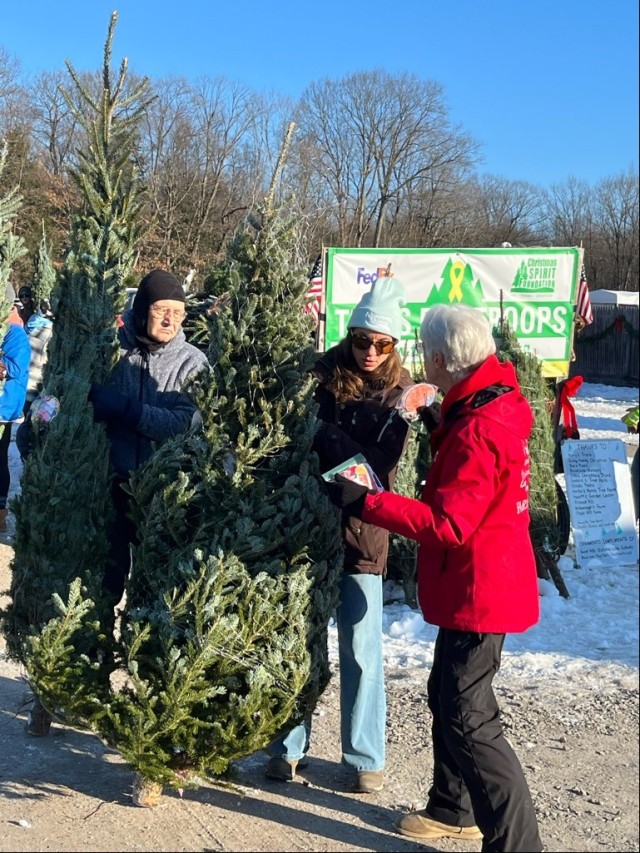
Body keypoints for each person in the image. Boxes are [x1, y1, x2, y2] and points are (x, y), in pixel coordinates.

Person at [328, 303, 543, 852]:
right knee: (446, 695)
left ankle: (516, 843)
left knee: (470, 717)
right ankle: (453, 807)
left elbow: (450, 524)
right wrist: (434, 420)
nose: (423, 361)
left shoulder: (478, 428)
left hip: (481, 589)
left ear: (442, 359)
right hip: (477, 583)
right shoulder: (487, 401)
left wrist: (367, 501)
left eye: (426, 353)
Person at [26, 268, 209, 736]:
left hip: (161, 500)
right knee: (92, 591)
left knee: (154, 598)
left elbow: (185, 424)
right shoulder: (112, 353)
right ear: (141, 310)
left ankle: (146, 702)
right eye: (161, 311)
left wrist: (126, 411)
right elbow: (64, 394)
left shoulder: (192, 363)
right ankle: (68, 689)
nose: (170, 320)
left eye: (178, 313)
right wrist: (43, 424)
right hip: (105, 490)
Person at [265, 276, 413, 794]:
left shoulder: (402, 395)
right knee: (296, 640)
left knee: (361, 648)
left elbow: (375, 468)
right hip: (306, 527)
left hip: (362, 534)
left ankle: (365, 757)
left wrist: (326, 436)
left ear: (394, 345)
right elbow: (290, 437)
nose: (369, 351)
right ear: (349, 335)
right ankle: (285, 748)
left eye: (382, 343)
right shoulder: (318, 376)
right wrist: (335, 450)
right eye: (361, 340)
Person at [0, 300, 31, 532]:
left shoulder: (15, 333)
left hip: (4, 407)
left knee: (0, 459)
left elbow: (18, 368)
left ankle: (0, 513)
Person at [15, 299, 54, 461]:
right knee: (35, 428)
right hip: (38, 387)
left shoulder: (32, 324)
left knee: (28, 423)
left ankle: (27, 461)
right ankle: (32, 463)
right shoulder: (51, 333)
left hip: (26, 383)